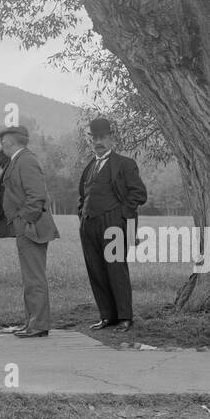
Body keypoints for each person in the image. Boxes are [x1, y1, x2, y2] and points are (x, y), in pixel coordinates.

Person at [77, 117, 147, 334]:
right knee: (96, 270)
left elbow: (139, 193)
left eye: (102, 138)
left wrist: (121, 215)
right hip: (89, 225)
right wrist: (82, 215)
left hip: (113, 223)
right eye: (94, 138)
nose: (98, 142)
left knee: (116, 270)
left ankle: (125, 317)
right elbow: (83, 195)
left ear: (111, 139)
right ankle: (107, 316)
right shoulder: (90, 167)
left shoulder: (125, 164)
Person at [0, 126, 59, 337]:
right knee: (30, 278)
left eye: (3, 140)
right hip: (28, 228)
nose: (1, 144)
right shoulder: (18, 159)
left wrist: (23, 221)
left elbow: (37, 197)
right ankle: (32, 322)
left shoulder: (26, 161)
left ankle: (39, 324)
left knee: (34, 278)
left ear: (10, 142)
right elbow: (2, 163)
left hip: (32, 229)